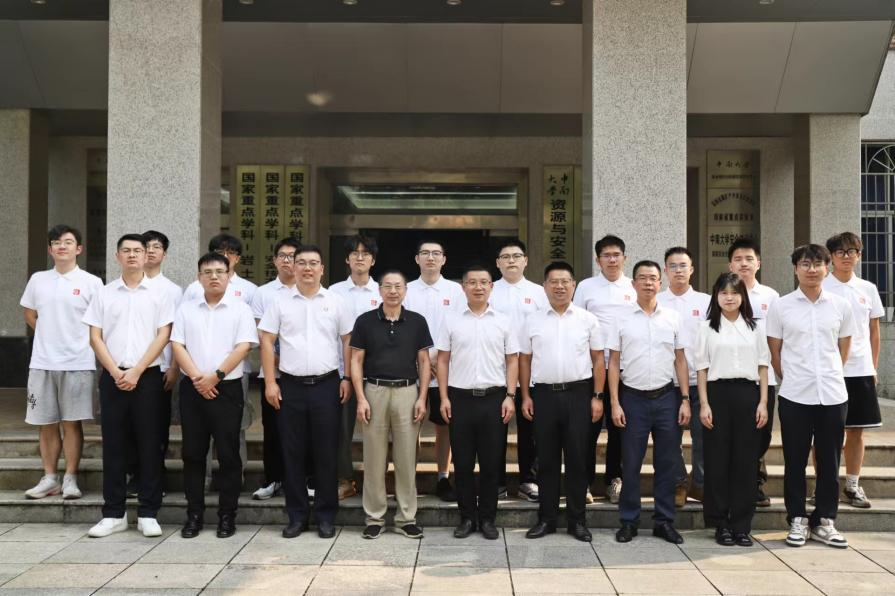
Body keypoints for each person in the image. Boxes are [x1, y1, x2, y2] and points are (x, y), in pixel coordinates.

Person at [258, 245, 353, 539]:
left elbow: (347, 341)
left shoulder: (336, 301)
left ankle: (325, 515)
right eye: (301, 263)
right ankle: (297, 516)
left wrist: (347, 378)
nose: (307, 268)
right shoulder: (280, 302)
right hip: (290, 386)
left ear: (322, 269)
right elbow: (266, 341)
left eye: (313, 263)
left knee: (326, 452)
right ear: (293, 267)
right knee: (292, 452)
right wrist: (270, 382)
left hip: (327, 385)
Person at [84, 234, 174, 538]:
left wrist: (136, 371)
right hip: (113, 377)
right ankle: (114, 513)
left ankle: (149, 512)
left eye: (138, 250)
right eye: (127, 250)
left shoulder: (160, 294)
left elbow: (164, 335)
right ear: (117, 256)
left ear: (147, 255)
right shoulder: (104, 293)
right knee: (113, 445)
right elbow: (95, 336)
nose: (133, 255)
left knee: (150, 444)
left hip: (147, 377)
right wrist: (115, 371)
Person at [767, 244, 855, 548]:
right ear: (796, 269)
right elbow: (775, 351)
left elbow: (843, 348)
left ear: (827, 268)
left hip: (832, 394)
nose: (812, 269)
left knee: (830, 460)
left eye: (818, 264)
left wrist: (830, 373)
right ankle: (797, 519)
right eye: (805, 264)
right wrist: (790, 376)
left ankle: (825, 520)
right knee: (794, 460)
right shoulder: (781, 306)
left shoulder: (840, 305)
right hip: (795, 394)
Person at [171, 253, 258, 539]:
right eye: (207, 272)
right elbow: (178, 345)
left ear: (229, 275)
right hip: (193, 388)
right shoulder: (186, 309)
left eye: (220, 271)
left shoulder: (240, 309)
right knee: (193, 454)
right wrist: (198, 378)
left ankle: (227, 516)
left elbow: (244, 346)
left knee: (229, 454)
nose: (214, 276)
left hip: (227, 390)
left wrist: (215, 376)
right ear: (199, 277)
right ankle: (194, 515)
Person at [520, 261, 604, 543]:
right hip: (544, 395)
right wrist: (526, 395)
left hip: (579, 394)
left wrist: (597, 396)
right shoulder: (532, 320)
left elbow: (598, 360)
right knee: (546, 460)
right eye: (553, 282)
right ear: (544, 286)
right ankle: (547, 519)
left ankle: (577, 521)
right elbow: (525, 360)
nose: (559, 286)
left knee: (578, 459)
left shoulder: (587, 319)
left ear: (574, 285)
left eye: (565, 281)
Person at [608, 260, 691, 544]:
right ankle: (629, 521)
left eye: (653, 278)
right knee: (631, 463)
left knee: (667, 463)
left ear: (660, 282)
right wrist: (615, 402)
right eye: (642, 278)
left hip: (667, 397)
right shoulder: (621, 318)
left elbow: (681, 360)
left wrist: (685, 399)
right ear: (633, 284)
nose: (647, 283)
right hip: (632, 399)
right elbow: (613, 362)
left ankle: (664, 521)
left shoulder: (673, 317)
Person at [20, 225, 103, 500]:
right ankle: (49, 478)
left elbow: (99, 323)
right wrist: (48, 334)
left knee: (71, 423)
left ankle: (70, 478)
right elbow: (30, 314)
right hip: (42, 362)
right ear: (50, 249)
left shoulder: (92, 282)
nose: (62, 246)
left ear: (78, 248)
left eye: (68, 242)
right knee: (45, 423)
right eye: (56, 242)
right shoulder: (38, 280)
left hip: (78, 362)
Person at [437, 264, 519, 540]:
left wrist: (510, 396)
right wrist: (444, 397)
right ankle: (466, 518)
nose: (478, 287)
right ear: (463, 287)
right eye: (472, 282)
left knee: (491, 463)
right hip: (460, 399)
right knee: (462, 463)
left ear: (491, 287)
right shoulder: (451, 320)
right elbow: (443, 360)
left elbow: (512, 360)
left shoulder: (504, 321)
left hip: (494, 399)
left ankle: (487, 519)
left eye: (484, 282)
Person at [351, 270, 433, 540]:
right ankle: (374, 517)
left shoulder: (417, 321)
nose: (393, 291)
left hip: (408, 392)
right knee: (373, 458)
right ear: (380, 290)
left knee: (406, 458)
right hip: (374, 391)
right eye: (388, 286)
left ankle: (406, 518)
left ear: (406, 290)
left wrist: (422, 397)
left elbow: (424, 361)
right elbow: (356, 360)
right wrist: (360, 397)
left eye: (398, 286)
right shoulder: (365, 321)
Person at [695, 272, 769, 547]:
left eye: (734, 293)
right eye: (724, 293)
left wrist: (763, 402)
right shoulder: (706, 328)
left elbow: (763, 367)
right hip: (717, 395)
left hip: (748, 395)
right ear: (716, 296)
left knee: (745, 462)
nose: (729, 298)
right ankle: (720, 523)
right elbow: (702, 369)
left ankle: (741, 525)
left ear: (743, 296)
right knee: (717, 461)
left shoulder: (755, 327)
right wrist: (704, 404)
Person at [185, 234, 258, 487]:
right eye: (219, 251)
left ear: (237, 258)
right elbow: (183, 334)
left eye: (230, 252)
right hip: (196, 374)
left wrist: (219, 374)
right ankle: (203, 477)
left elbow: (248, 337)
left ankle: (236, 474)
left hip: (235, 372)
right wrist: (198, 376)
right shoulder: (193, 289)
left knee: (235, 426)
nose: (224, 256)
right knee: (199, 430)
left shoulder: (249, 290)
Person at [822, 232, 885, 508]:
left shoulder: (867, 288)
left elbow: (874, 332)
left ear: (859, 256)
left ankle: (852, 484)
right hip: (828, 370)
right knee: (824, 432)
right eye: (840, 252)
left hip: (860, 370)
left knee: (856, 431)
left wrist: (873, 366)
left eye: (852, 251)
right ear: (831, 257)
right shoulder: (822, 287)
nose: (846, 256)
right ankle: (824, 485)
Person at [572, 235, 634, 504]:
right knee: (588, 428)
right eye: (606, 255)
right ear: (598, 260)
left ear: (624, 258)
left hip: (625, 369)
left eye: (616, 255)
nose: (612, 259)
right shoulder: (586, 287)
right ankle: (584, 482)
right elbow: (575, 324)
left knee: (620, 429)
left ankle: (614, 481)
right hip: (592, 369)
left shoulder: (633, 286)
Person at [403, 239, 465, 502]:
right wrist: (419, 360)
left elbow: (461, 327)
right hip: (410, 367)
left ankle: (443, 477)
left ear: (444, 259)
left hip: (445, 369)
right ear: (417, 259)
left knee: (444, 424)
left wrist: (440, 360)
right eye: (425, 253)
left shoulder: (456, 291)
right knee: (410, 424)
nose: (431, 257)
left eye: (436, 253)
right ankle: (408, 478)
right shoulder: (406, 290)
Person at [124, 230, 183, 498]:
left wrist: (174, 367)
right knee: (129, 426)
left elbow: (176, 333)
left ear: (164, 253)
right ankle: (135, 475)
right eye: (145, 246)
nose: (150, 250)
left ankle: (155, 477)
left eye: (156, 246)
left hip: (159, 369)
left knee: (156, 427)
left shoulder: (172, 290)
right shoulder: (124, 287)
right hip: (127, 368)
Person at [489, 238, 548, 502]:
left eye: (516, 256)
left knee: (530, 430)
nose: (511, 260)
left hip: (531, 372)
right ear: (498, 263)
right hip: (495, 371)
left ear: (526, 261)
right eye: (505, 256)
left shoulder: (539, 292)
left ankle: (529, 480)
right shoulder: (489, 291)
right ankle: (496, 482)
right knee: (495, 430)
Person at [727, 238, 779, 507]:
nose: (744, 264)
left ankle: (755, 482)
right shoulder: (722, 294)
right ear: (730, 265)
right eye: (738, 259)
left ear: (758, 263)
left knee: (762, 433)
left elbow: (779, 337)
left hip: (764, 377)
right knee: (734, 433)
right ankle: (735, 483)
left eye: (749, 259)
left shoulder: (771, 297)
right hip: (731, 377)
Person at [330, 234, 382, 501]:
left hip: (378, 373)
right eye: (355, 253)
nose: (360, 258)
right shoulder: (333, 292)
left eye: (365, 254)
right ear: (347, 260)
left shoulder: (383, 291)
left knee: (379, 430)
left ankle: (378, 482)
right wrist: (345, 375)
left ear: (373, 261)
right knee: (341, 429)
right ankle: (345, 479)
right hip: (343, 373)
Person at [658, 247, 710, 506]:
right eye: (673, 266)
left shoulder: (706, 301)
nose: (678, 270)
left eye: (683, 265)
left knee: (702, 437)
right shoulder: (656, 301)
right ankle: (678, 482)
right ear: (665, 271)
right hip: (667, 383)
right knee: (669, 437)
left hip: (700, 382)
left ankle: (699, 484)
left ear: (692, 269)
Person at [249, 236, 301, 501]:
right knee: (273, 430)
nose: (288, 261)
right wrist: (281, 361)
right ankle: (273, 479)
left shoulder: (310, 289)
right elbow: (262, 335)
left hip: (303, 375)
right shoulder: (263, 293)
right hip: (273, 373)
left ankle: (301, 480)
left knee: (301, 431)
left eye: (293, 256)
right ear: (274, 260)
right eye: (283, 256)